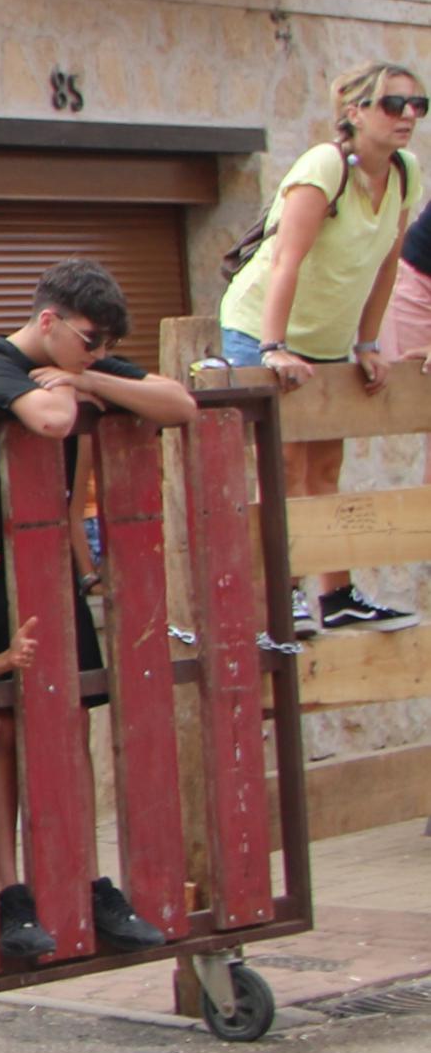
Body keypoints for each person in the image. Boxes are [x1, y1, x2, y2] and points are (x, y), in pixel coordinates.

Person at [0, 258, 195, 967]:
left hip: (50, 567)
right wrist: (71, 392)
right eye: (85, 340)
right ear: (48, 321)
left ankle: (87, 880)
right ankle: (9, 895)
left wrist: (88, 378)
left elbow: (180, 403)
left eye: (103, 344)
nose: (93, 352)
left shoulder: (81, 361)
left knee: (66, 721)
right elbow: (51, 420)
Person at [219, 61, 418, 632]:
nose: (408, 116)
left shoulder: (405, 172)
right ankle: (281, 594)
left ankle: (337, 595)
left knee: (326, 463)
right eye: (392, 104)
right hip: (263, 327)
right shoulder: (322, 166)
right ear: (354, 113)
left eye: (417, 105)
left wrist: (368, 342)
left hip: (329, 339)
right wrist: (273, 346)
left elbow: (386, 264)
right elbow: (286, 259)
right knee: (279, 462)